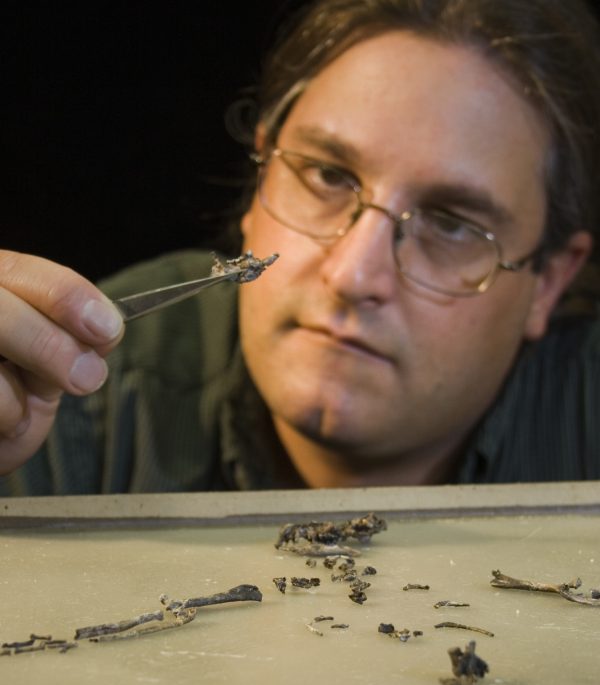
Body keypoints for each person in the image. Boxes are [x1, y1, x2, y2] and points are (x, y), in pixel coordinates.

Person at [0, 0, 599, 495]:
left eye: (450, 223)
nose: (352, 275)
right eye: (328, 176)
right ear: (261, 176)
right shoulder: (78, 396)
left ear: (547, 281)